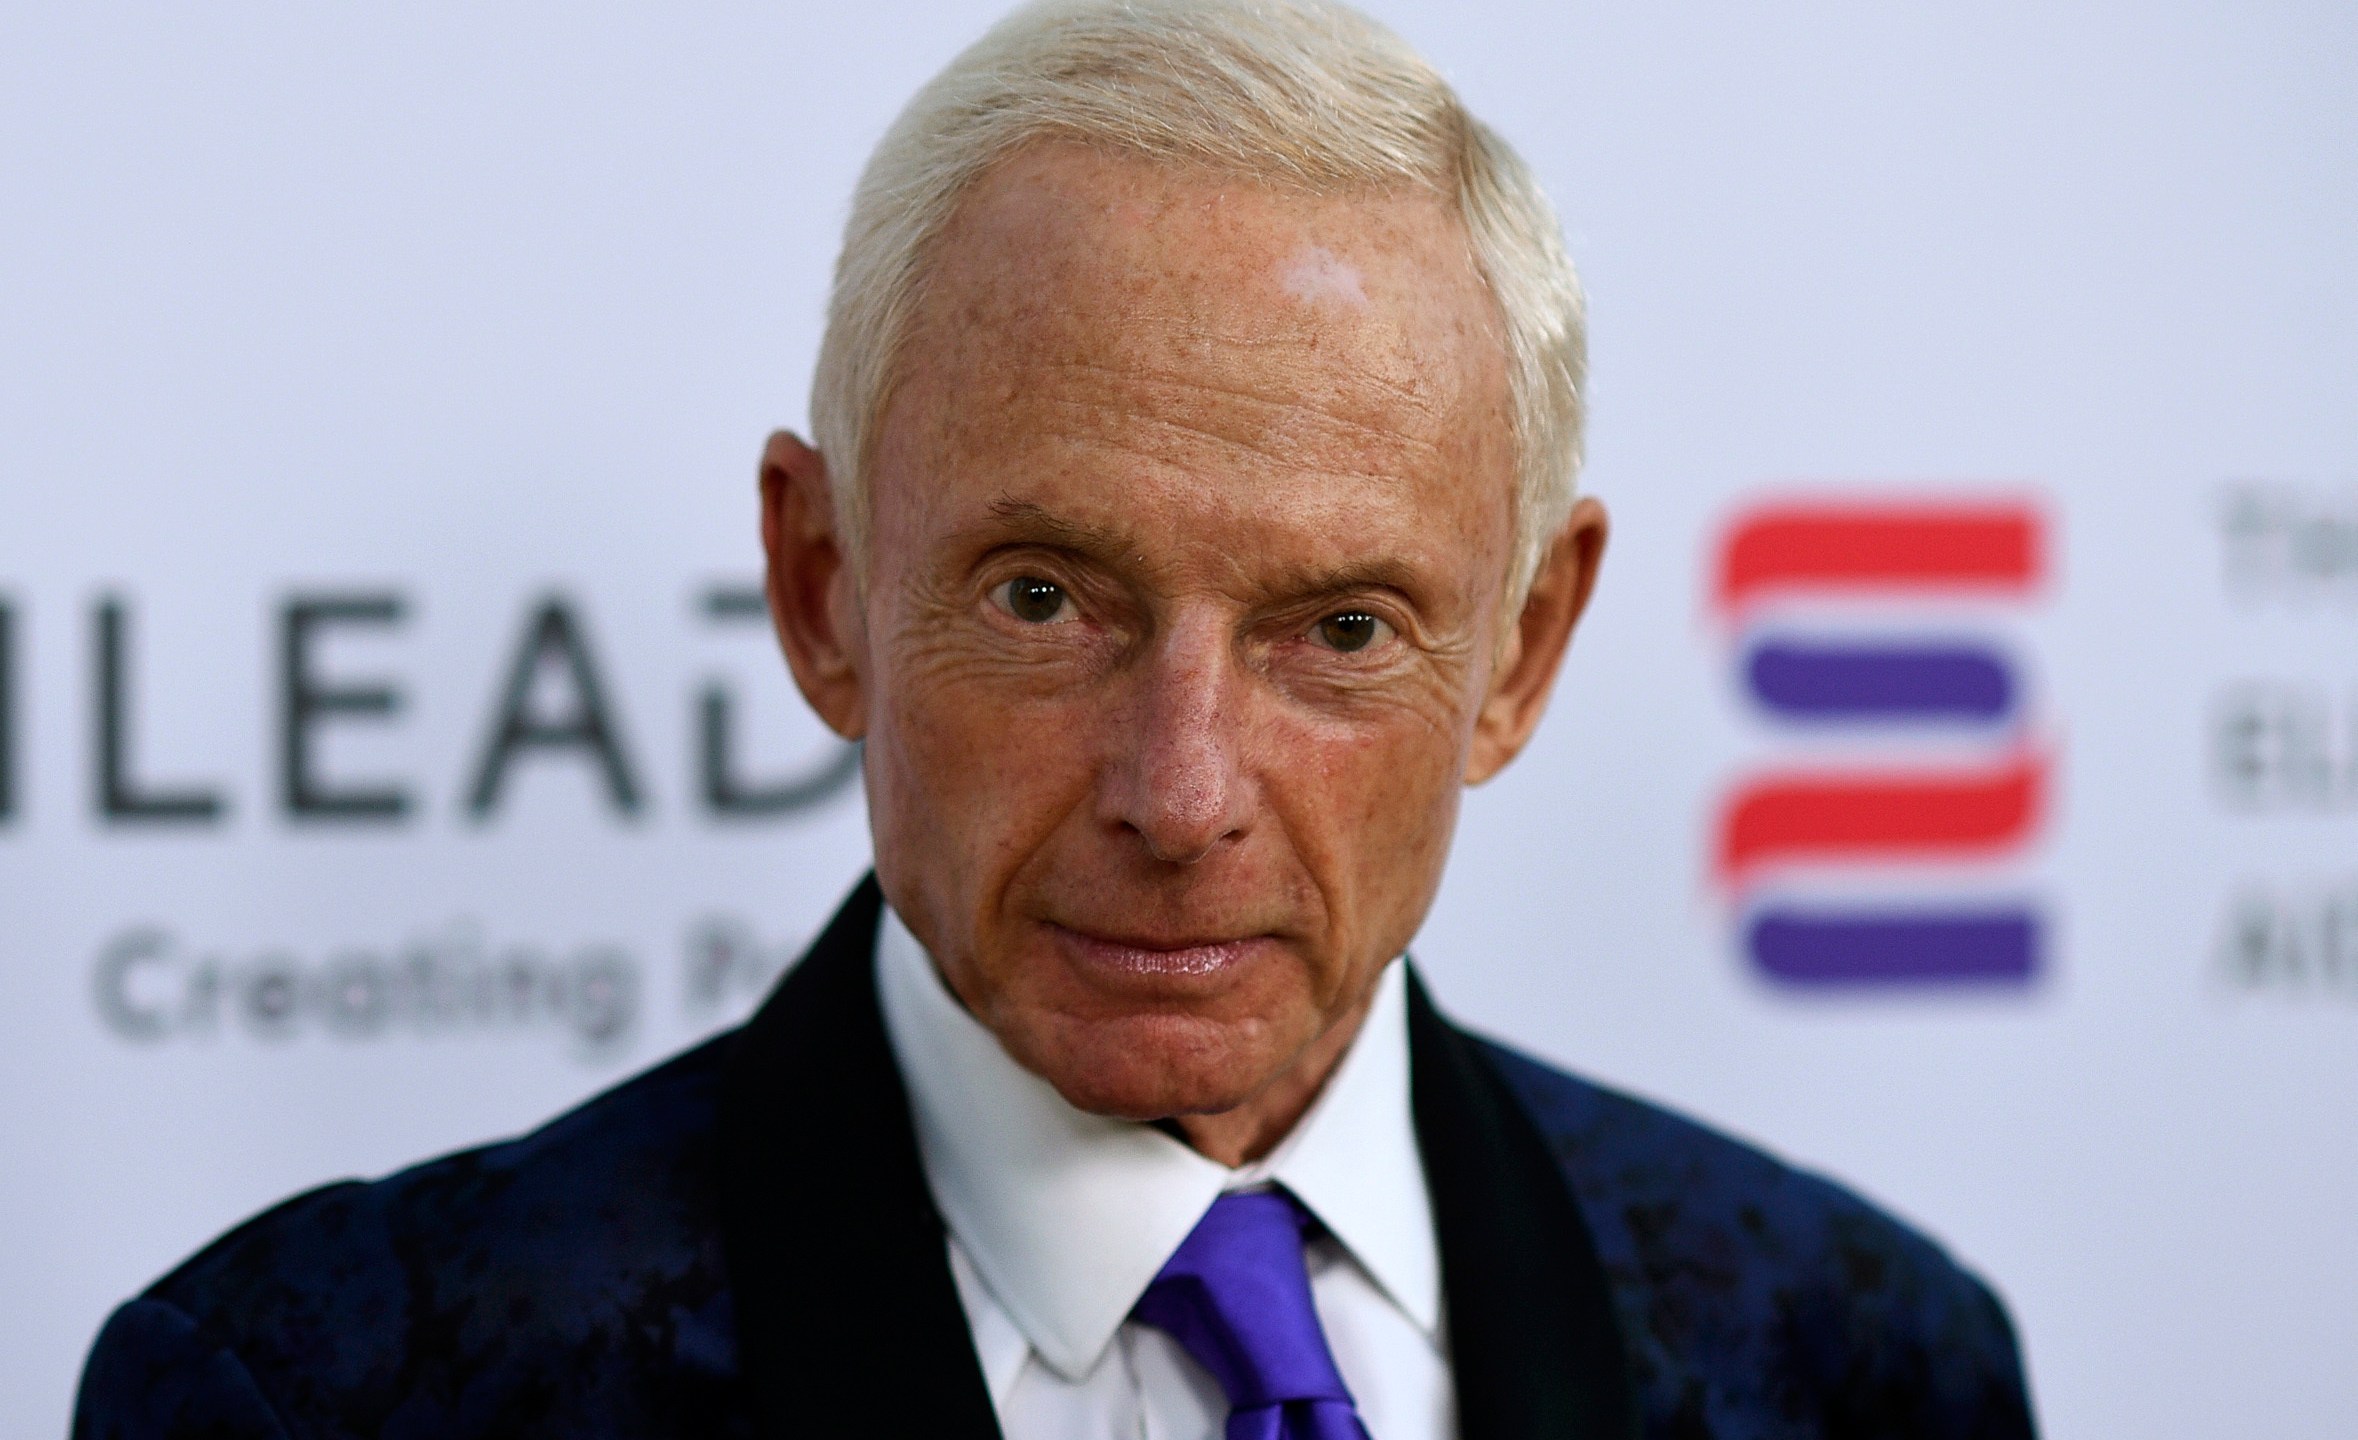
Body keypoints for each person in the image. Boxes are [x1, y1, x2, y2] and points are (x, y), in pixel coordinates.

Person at [73, 1, 2036, 1435]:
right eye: (1044, 598)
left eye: (1339, 629)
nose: (1181, 794)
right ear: (825, 588)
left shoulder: (1864, 1362)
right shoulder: (322, 1393)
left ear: (1520, 651)